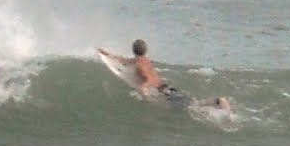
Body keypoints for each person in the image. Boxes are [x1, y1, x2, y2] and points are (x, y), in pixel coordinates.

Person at [99, 39, 232, 111]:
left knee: (193, 107)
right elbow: (123, 60)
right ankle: (217, 102)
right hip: (166, 87)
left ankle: (218, 101)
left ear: (133, 51)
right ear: (145, 51)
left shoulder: (138, 63)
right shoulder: (144, 60)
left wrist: (144, 92)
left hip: (162, 92)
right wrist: (107, 54)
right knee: (194, 103)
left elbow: (148, 80)